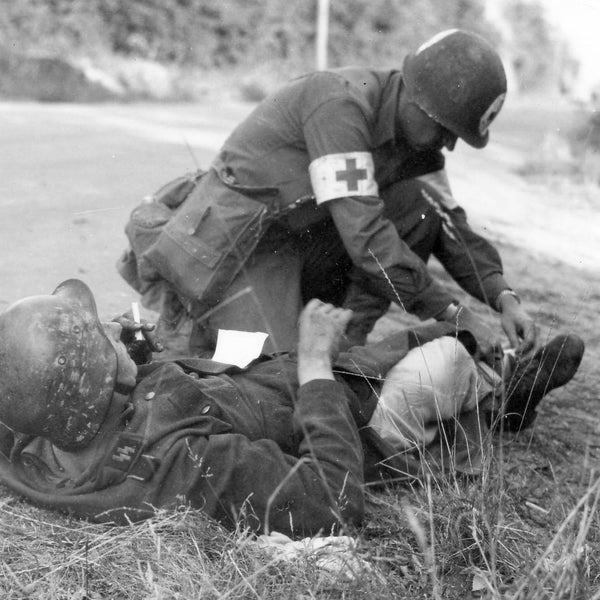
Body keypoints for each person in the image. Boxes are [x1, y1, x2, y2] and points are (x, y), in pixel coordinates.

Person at [0, 280, 584, 537]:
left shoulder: (44, 434)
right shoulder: (178, 463)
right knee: (446, 357)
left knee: (434, 330)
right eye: (100, 341)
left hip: (262, 382)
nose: (108, 329)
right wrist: (314, 368)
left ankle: (496, 372)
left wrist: (132, 353)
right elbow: (332, 502)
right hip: (346, 424)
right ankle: (505, 404)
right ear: (95, 382)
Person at [119, 28, 537, 363]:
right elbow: (367, 239)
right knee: (262, 380)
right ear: (417, 99)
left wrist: (503, 297)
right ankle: (183, 347)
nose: (449, 145)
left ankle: (345, 352)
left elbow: (449, 223)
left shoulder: (414, 141)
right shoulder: (340, 106)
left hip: (295, 245)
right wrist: (455, 314)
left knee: (419, 207)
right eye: (448, 129)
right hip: (234, 253)